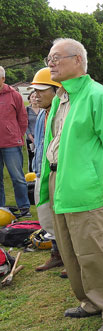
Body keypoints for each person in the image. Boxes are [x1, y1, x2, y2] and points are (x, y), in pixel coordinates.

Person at [38, 38, 103, 331]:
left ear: (77, 60)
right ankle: (90, 301)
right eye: (49, 58)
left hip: (85, 186)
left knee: (93, 251)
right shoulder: (63, 98)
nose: (50, 63)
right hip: (58, 182)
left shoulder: (97, 96)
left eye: (56, 58)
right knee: (69, 250)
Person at [29, 68, 64, 275]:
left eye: (42, 90)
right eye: (34, 90)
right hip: (41, 170)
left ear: (56, 90)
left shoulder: (63, 113)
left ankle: (71, 258)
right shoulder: (42, 113)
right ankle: (57, 255)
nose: (36, 95)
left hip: (59, 172)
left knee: (63, 218)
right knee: (46, 216)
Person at [0, 65, 30, 218]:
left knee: (18, 177)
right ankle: (1, 209)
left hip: (12, 143)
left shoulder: (14, 95)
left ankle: (24, 208)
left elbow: (23, 118)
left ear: (3, 79)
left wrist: (18, 135)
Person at [26, 92, 41, 173]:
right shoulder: (26, 110)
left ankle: (40, 172)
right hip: (30, 139)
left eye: (36, 96)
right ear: (29, 99)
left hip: (41, 138)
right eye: (32, 97)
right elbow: (25, 125)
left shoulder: (43, 109)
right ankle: (31, 175)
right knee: (31, 157)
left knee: (41, 156)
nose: (34, 98)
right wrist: (31, 138)